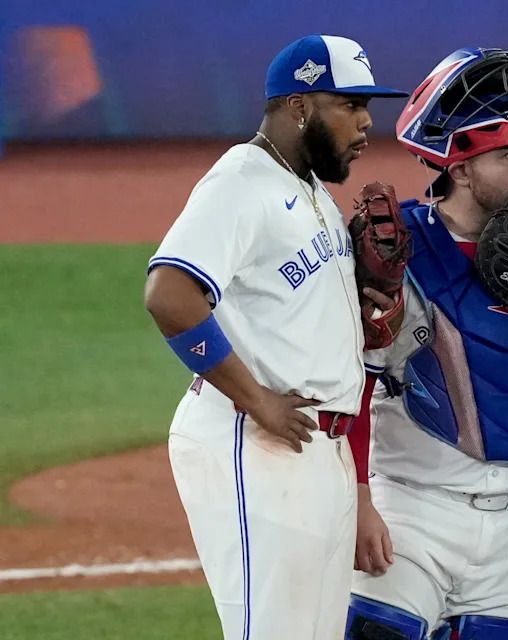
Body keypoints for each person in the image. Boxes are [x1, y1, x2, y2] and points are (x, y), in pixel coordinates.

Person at [143, 34, 407, 640]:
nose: (367, 122)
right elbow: (170, 295)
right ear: (298, 106)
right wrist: (253, 398)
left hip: (322, 455)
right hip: (259, 446)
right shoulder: (241, 180)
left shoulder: (310, 189)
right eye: (349, 104)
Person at [342, 47, 508, 640]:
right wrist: (359, 501)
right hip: (413, 514)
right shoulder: (394, 250)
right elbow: (355, 383)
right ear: (461, 166)